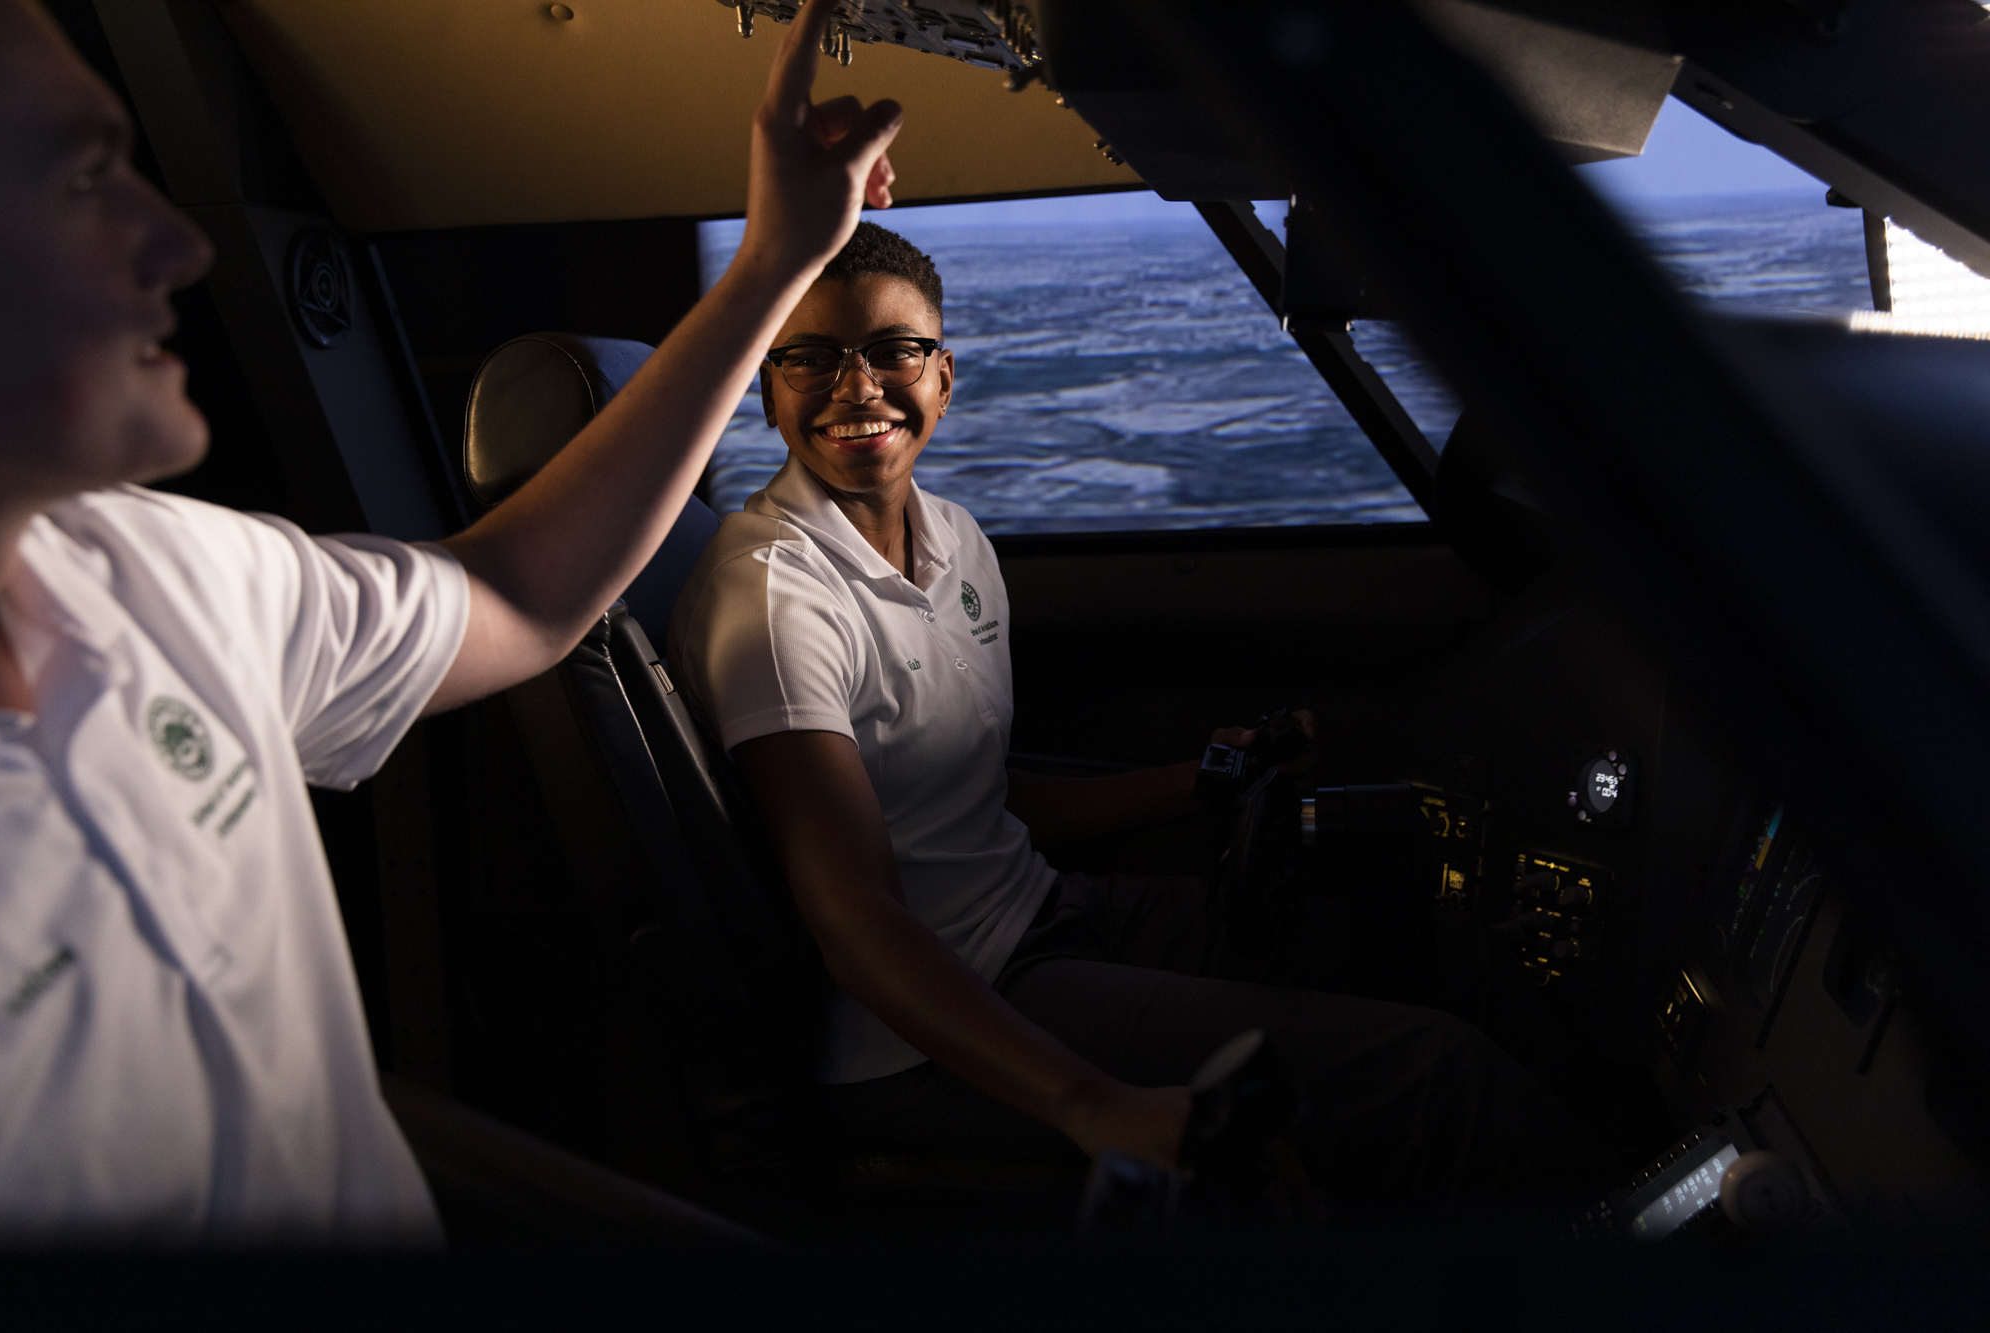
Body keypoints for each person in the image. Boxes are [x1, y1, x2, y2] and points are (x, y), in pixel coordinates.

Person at [0, 0, 895, 1243]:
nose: (175, 243)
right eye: (88, 179)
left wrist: (774, 260)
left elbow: (515, 596)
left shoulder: (164, 574)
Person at [670, 222, 1607, 1212]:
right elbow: (854, 920)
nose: (855, 387)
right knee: (1435, 1077)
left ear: (943, 376)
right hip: (928, 1024)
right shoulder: (775, 596)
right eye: (810, 358)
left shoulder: (951, 538)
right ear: (770, 393)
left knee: (1415, 942)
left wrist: (1195, 779)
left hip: (1037, 917)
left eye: (892, 351)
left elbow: (961, 798)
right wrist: (1096, 1104)